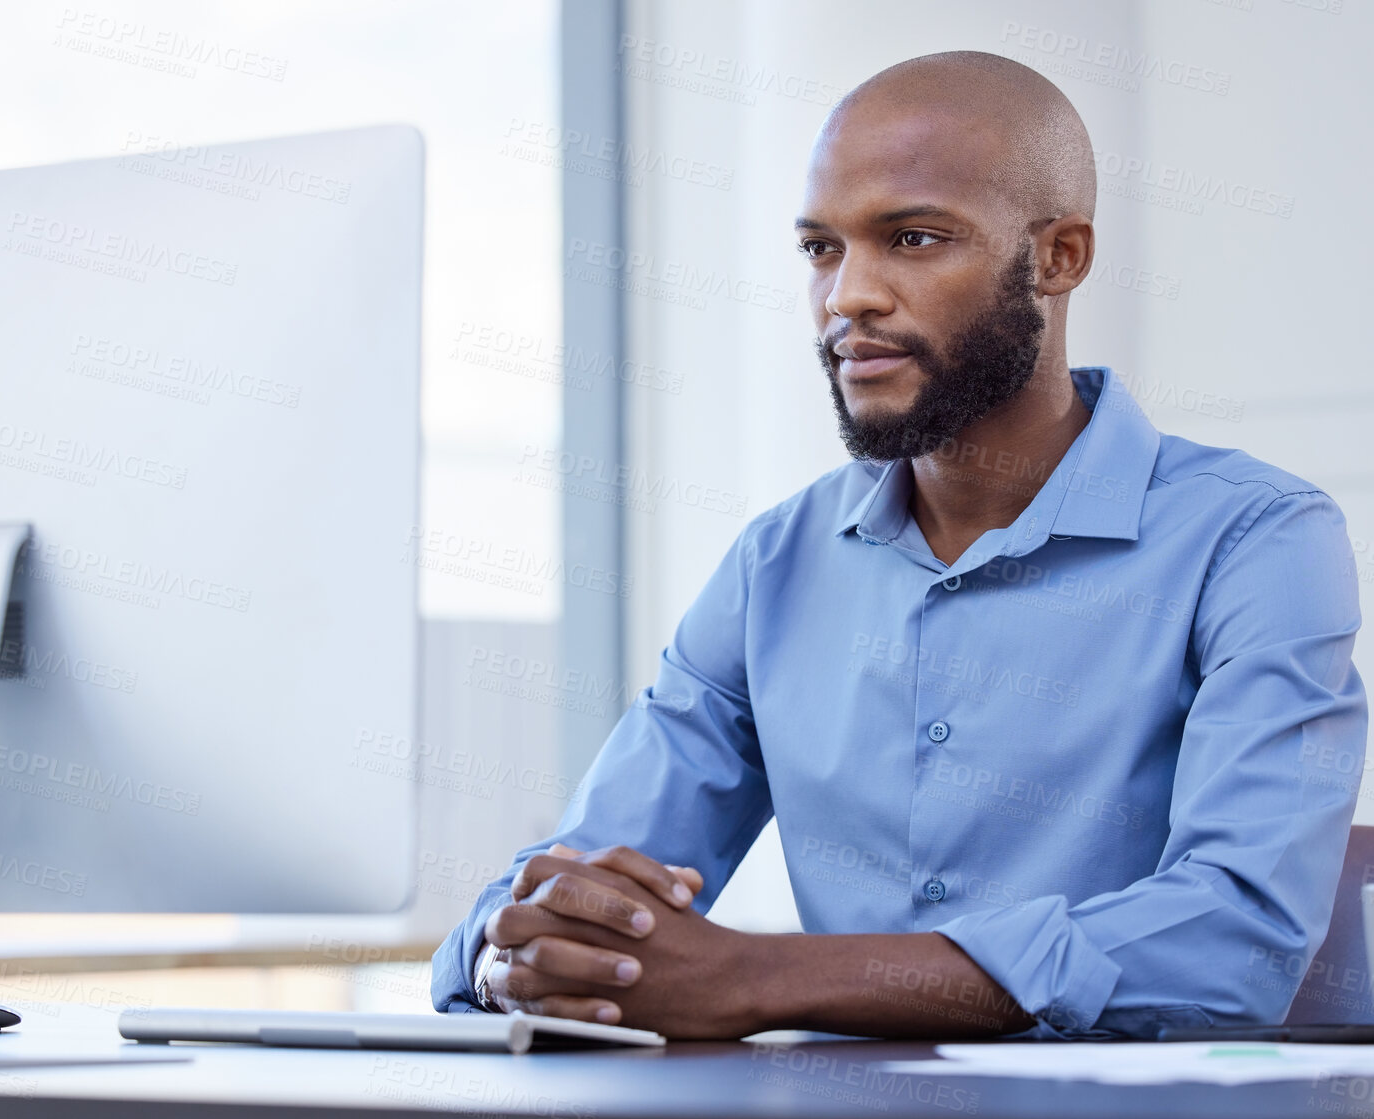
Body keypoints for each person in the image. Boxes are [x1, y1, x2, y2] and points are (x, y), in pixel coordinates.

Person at [430, 49, 1368, 1040]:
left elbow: (1231, 943)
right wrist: (516, 944)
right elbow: (584, 878)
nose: (847, 297)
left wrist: (761, 975)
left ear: (1061, 257)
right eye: (820, 249)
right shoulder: (776, 562)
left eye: (913, 239)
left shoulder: (1258, 538)